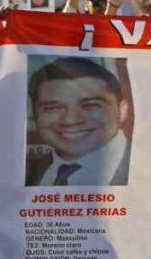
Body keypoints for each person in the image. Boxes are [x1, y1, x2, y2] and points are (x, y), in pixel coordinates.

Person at [25, 57, 131, 187]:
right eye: (53, 108)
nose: (71, 120)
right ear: (35, 114)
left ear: (122, 111)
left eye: (90, 105)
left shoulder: (149, 167)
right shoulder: (28, 172)